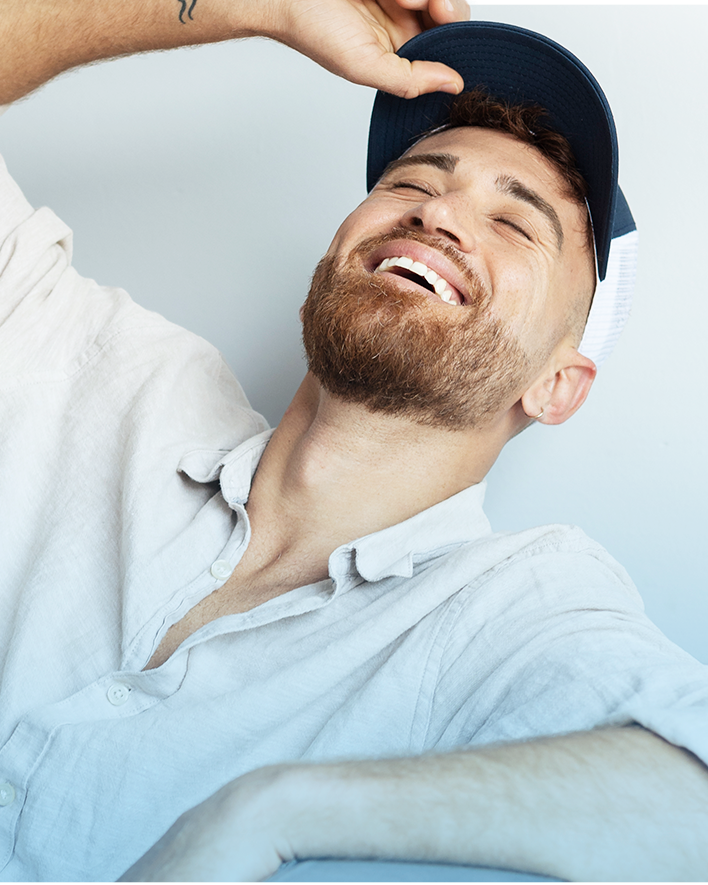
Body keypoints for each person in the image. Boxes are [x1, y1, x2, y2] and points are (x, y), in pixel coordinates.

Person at [0, 2, 707, 882]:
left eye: (515, 223)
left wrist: (280, 809)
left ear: (556, 385)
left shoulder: (513, 607)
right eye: (412, 182)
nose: (438, 214)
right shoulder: (113, 376)